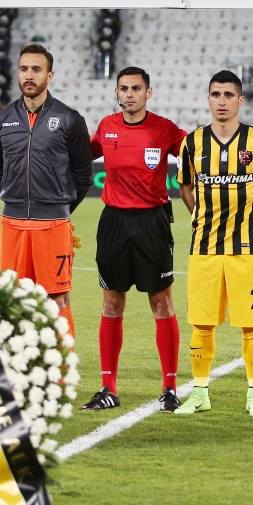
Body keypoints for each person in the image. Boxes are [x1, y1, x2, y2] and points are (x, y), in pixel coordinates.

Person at [81, 67, 188, 413]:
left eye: (136, 88)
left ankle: (169, 388)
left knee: (162, 303)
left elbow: (197, 150)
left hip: (152, 223)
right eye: (124, 88)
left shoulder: (164, 128)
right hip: (113, 222)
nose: (129, 94)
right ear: (117, 92)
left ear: (148, 93)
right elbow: (80, 153)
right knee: (112, 304)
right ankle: (107, 388)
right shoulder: (106, 126)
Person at [174, 70, 253, 418]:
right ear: (208, 99)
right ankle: (200, 393)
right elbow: (185, 186)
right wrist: (200, 216)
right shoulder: (191, 143)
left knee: (252, 324)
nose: (222, 101)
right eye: (216, 95)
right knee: (202, 323)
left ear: (240, 100)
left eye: (229, 95)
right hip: (204, 248)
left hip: (247, 248)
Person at [0, 44, 94, 336]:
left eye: (36, 69)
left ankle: (62, 364)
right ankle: (18, 361)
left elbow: (84, 175)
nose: (29, 75)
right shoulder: (1, 119)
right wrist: (14, 196)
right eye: (24, 69)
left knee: (57, 299)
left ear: (50, 75)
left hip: (54, 226)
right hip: (12, 223)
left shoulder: (70, 119)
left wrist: (60, 207)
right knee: (13, 299)